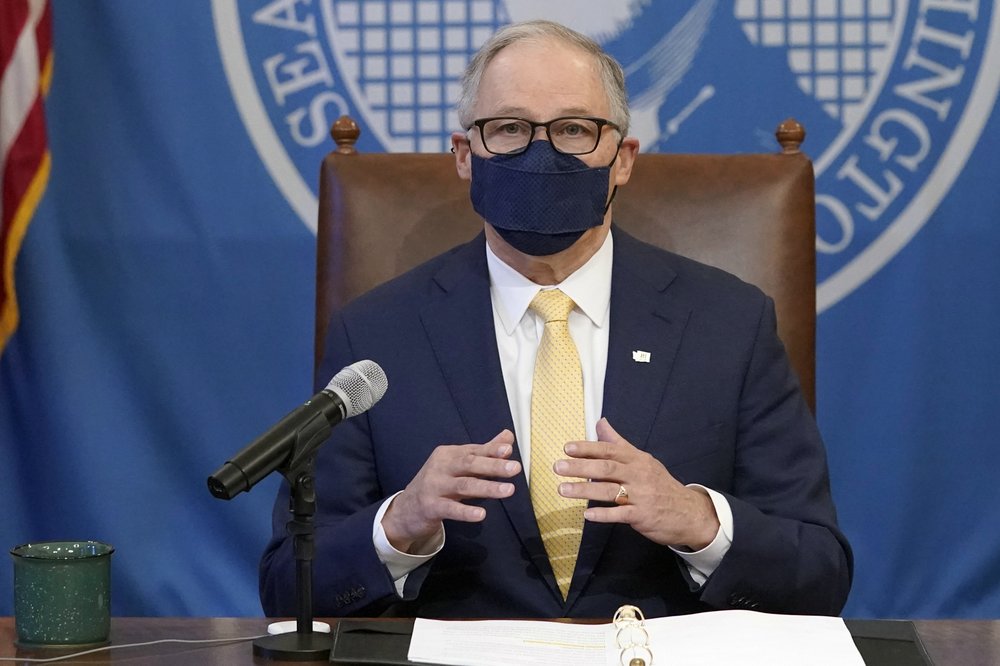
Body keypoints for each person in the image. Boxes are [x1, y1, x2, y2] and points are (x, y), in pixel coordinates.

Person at [260, 19, 852, 619]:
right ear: (465, 156)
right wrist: (399, 524)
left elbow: (820, 576)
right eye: (510, 128)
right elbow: (288, 588)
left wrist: (697, 520)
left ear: (622, 158)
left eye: (573, 129)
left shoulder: (729, 324)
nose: (541, 153)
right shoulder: (378, 335)